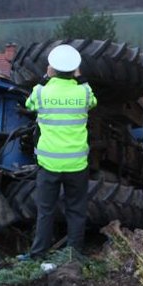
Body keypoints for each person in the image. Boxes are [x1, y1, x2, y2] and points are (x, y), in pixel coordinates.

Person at [20, 44, 97, 259]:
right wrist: (80, 78)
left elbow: (29, 104)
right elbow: (93, 102)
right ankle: (73, 254)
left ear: (51, 68)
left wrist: (45, 77)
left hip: (49, 163)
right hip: (77, 164)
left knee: (45, 211)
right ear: (75, 69)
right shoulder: (84, 91)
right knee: (76, 210)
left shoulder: (41, 92)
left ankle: (38, 254)